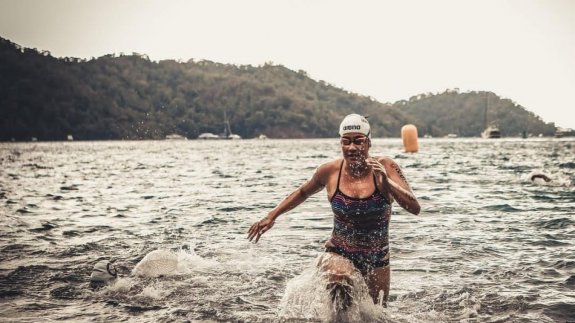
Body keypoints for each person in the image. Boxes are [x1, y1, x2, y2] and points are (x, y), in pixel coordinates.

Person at [247, 114, 420, 308]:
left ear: (369, 142)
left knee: (377, 315)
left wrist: (386, 183)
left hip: (377, 256)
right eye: (346, 142)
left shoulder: (386, 166)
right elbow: (303, 192)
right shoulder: (329, 171)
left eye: (358, 141)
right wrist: (272, 216)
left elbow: (415, 208)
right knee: (340, 278)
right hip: (339, 251)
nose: (352, 147)